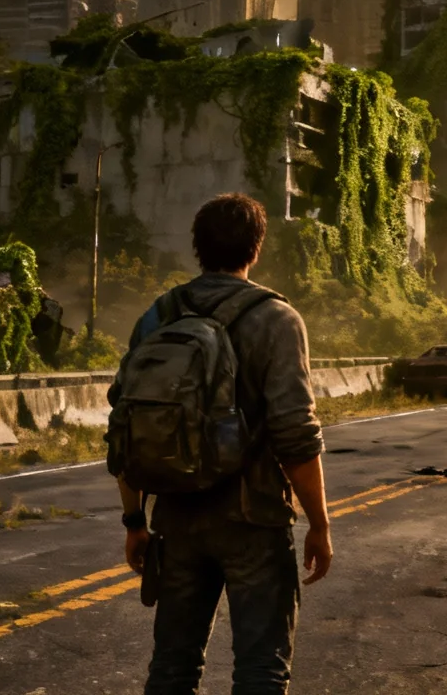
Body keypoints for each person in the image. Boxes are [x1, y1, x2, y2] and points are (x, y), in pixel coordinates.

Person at [117, 193, 332, 695]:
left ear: (197, 247)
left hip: (176, 517)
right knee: (260, 671)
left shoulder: (157, 316)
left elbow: (127, 427)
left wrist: (134, 522)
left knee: (173, 669)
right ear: (256, 247)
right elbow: (295, 433)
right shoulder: (276, 318)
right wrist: (320, 525)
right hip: (253, 521)